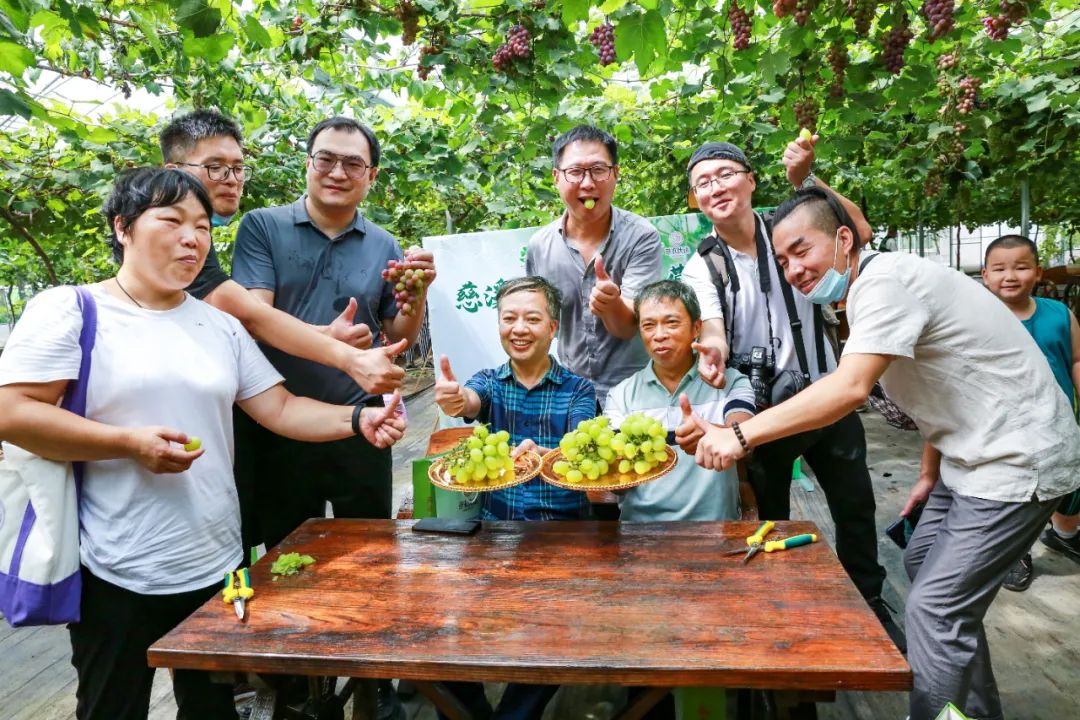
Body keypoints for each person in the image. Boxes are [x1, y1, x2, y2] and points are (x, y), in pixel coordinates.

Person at [0, 168, 406, 720]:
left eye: (203, 226)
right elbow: (13, 412)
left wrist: (356, 421)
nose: (193, 238)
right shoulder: (72, 310)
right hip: (116, 568)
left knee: (214, 709)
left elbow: (280, 408)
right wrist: (128, 444)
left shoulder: (219, 326)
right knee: (111, 707)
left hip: (217, 562)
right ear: (123, 227)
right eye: (171, 221)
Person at [689, 187, 1080, 720]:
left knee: (937, 611)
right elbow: (949, 386)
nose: (793, 269)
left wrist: (738, 436)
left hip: (1017, 460)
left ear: (844, 238)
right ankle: (974, 711)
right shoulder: (864, 291)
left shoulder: (884, 284)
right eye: (782, 260)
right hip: (967, 457)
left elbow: (848, 389)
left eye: (802, 250)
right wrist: (929, 471)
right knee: (921, 563)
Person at [678, 138, 901, 650]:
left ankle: (869, 604)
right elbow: (711, 325)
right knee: (770, 517)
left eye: (725, 174)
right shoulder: (703, 265)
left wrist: (807, 181)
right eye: (703, 183)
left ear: (751, 179)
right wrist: (711, 350)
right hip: (762, 414)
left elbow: (856, 232)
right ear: (696, 200)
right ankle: (782, 610)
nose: (715, 187)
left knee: (854, 505)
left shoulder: (787, 230)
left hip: (828, 393)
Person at [230, 116, 434, 546]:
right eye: (326, 159)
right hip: (279, 420)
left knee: (370, 547)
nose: (338, 173)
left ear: (371, 176)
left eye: (353, 164)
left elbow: (400, 333)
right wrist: (326, 336)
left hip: (361, 421)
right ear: (307, 164)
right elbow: (252, 319)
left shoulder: (384, 244)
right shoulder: (262, 227)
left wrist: (417, 292)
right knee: (286, 554)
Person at [433, 276, 596, 718]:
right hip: (494, 537)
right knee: (433, 628)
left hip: (560, 539)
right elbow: (469, 400)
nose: (518, 328)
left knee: (555, 633)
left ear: (553, 327)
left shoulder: (578, 390)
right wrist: (456, 399)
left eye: (531, 318)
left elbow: (581, 450)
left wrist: (547, 456)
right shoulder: (489, 381)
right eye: (509, 318)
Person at [159, 109, 405, 395]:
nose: (231, 179)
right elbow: (252, 317)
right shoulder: (171, 240)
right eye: (215, 167)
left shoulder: (198, 239)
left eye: (238, 168)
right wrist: (345, 354)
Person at [525, 125, 662, 408]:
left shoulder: (641, 237)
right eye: (575, 172)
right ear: (556, 177)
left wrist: (612, 305)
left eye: (599, 169)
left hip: (634, 392)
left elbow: (629, 328)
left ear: (615, 174)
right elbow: (540, 325)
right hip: (569, 393)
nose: (588, 183)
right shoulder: (540, 246)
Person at [605, 279, 756, 522]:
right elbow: (616, 482)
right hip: (641, 535)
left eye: (671, 323)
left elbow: (746, 436)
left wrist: (714, 435)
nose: (659, 335)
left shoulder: (730, 382)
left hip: (714, 530)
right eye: (648, 325)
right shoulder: (621, 394)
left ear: (697, 328)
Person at [981, 235, 1080, 591]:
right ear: (985, 276)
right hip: (1009, 427)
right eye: (1000, 268)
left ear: (1037, 273)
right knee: (1018, 495)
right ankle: (1015, 552)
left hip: (1060, 422)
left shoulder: (1059, 314)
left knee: (1070, 484)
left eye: (1021, 267)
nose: (1011, 275)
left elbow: (1076, 360)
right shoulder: (979, 321)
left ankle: (1065, 533)